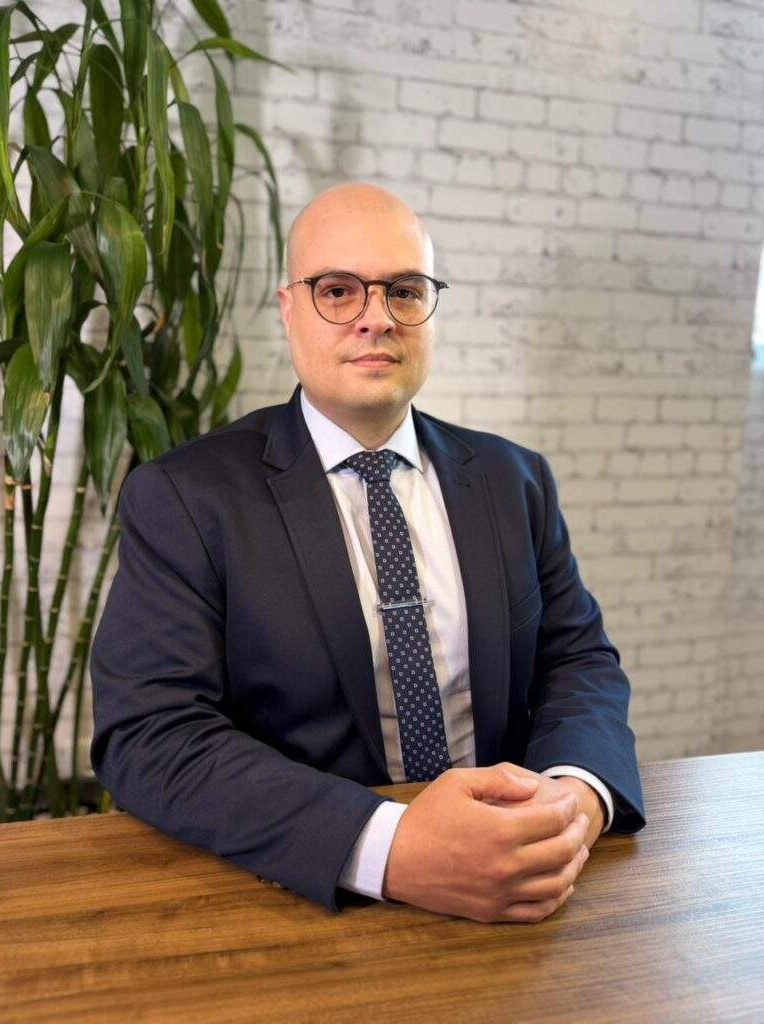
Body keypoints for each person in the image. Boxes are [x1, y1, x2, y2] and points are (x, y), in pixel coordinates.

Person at [90, 182, 645, 925]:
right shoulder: (186, 497)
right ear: (289, 309)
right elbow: (150, 734)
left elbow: (578, 661)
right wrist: (389, 845)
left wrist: (575, 794)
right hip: (310, 901)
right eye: (338, 290)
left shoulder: (513, 479)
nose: (376, 317)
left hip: (519, 884)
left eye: (404, 291)